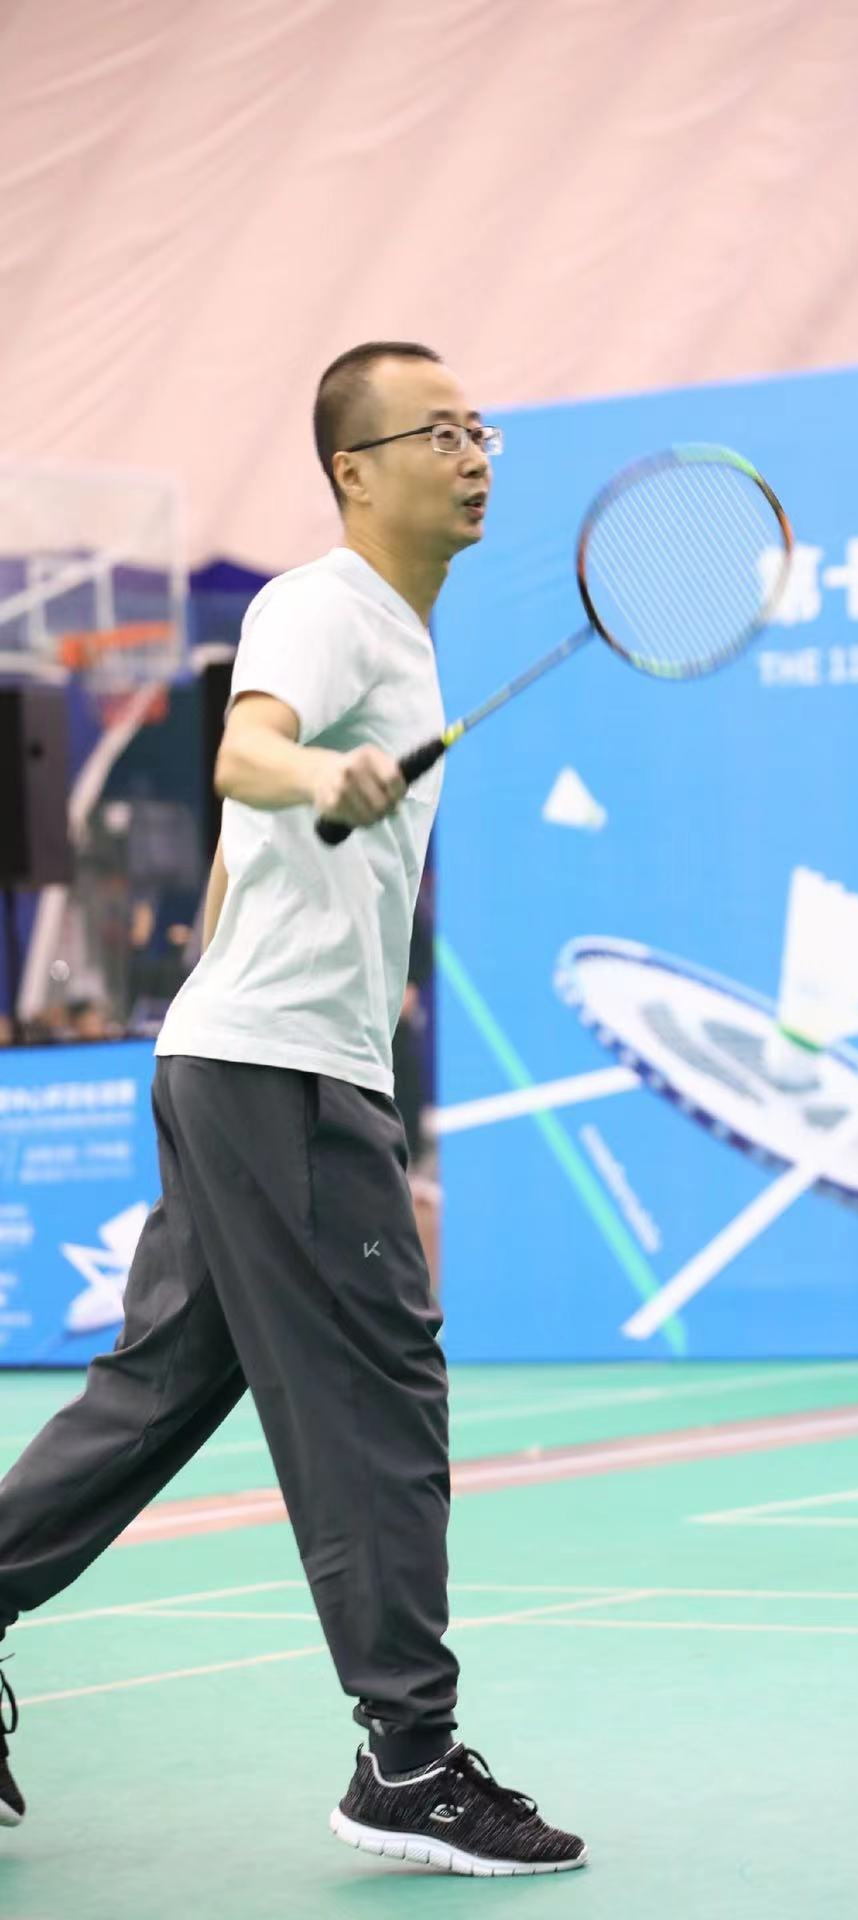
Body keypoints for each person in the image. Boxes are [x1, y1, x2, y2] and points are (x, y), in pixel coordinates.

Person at [0, 341, 587, 1877]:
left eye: (479, 428)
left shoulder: (399, 635)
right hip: (283, 1076)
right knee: (379, 1395)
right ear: (354, 471)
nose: (474, 454)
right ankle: (409, 1762)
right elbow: (246, 751)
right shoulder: (322, 607)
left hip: (235, 1053)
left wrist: (225, 994)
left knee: (153, 1394)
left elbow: (228, 860)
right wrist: (320, 783)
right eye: (438, 432)